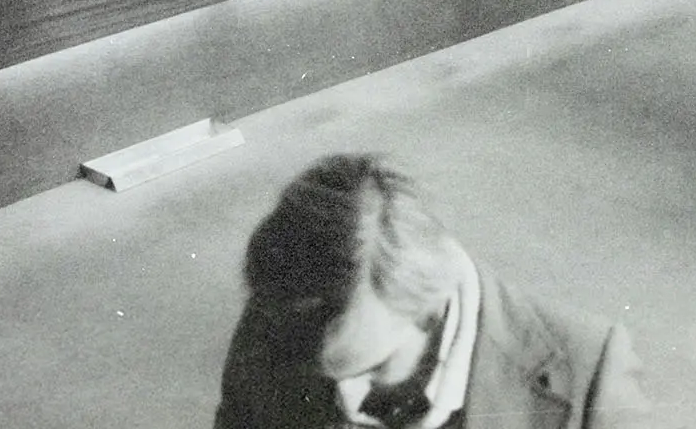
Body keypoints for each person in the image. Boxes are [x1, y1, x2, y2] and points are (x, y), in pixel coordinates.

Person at [214, 152, 651, 429]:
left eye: (376, 367)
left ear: (429, 306)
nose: (344, 396)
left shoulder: (591, 373)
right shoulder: (274, 322)